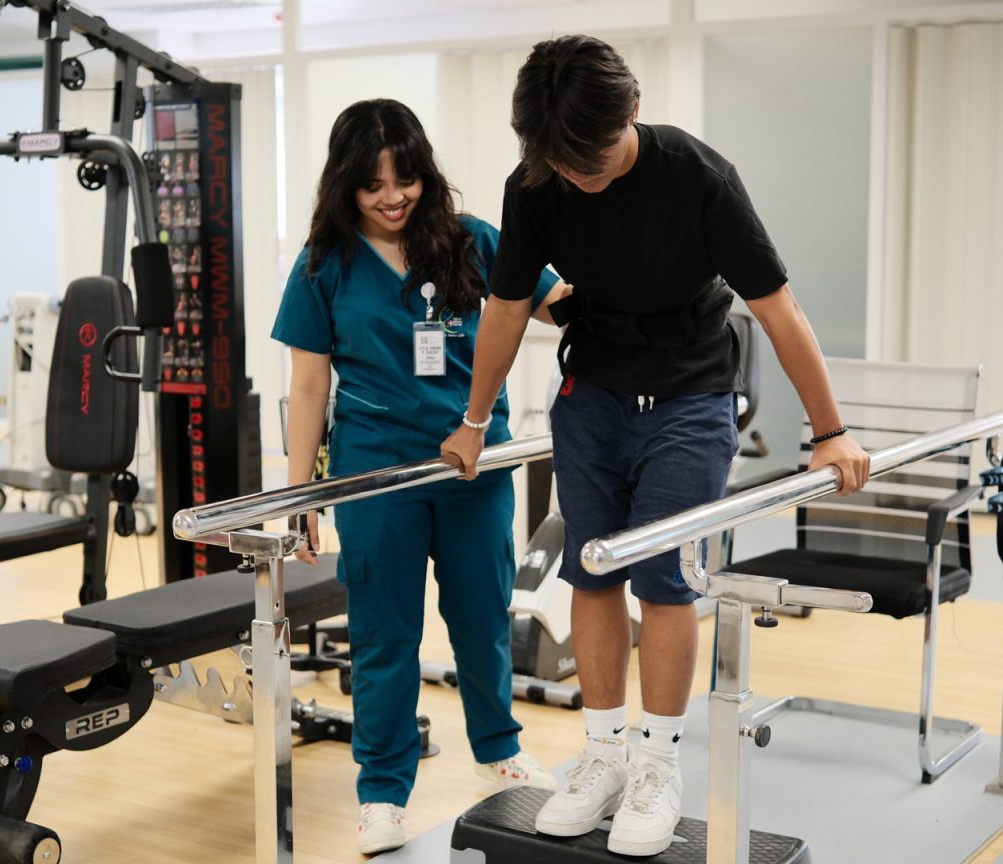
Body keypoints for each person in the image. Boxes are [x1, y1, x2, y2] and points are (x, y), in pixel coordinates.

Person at [439, 36, 872, 857]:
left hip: (689, 394)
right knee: (594, 567)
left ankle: (658, 765)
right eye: (560, 162)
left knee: (665, 579)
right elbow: (502, 310)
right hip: (593, 389)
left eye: (590, 158)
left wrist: (831, 431)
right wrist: (473, 419)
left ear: (632, 110)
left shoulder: (700, 178)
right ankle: (604, 753)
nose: (576, 175)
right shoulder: (537, 180)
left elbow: (780, 310)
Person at [272, 98, 570, 855]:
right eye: (373, 186)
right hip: (376, 475)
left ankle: (499, 749)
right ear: (345, 187)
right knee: (384, 635)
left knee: (481, 617)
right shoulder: (323, 266)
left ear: (424, 172)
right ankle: (382, 791)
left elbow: (555, 304)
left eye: (404, 179)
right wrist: (302, 496)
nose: (392, 197)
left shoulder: (473, 241)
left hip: (475, 466)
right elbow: (309, 389)